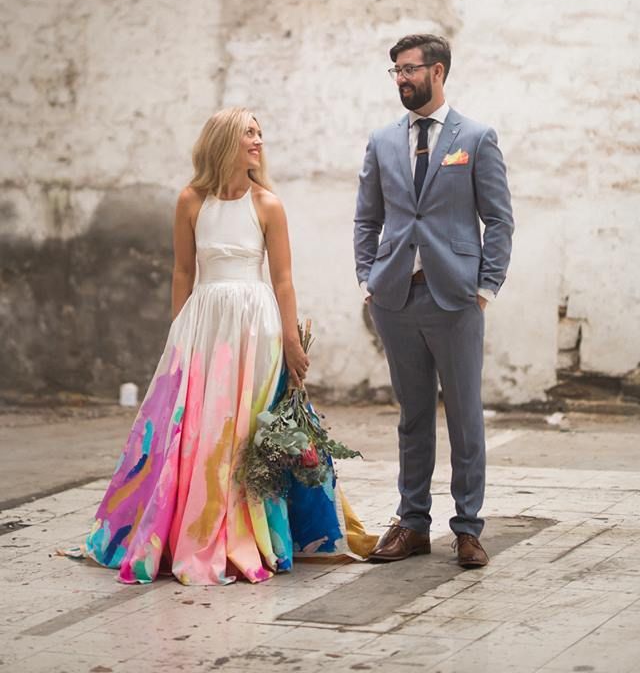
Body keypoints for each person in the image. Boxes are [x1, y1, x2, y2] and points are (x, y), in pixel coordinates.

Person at [83, 107, 374, 585]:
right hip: (204, 325)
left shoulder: (267, 204)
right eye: (248, 134)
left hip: (255, 326)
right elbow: (182, 271)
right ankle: (187, 527)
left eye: (259, 133)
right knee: (196, 427)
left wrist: (290, 340)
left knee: (243, 427)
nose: (258, 141)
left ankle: (255, 529)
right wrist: (179, 331)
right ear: (223, 142)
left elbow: (282, 280)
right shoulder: (191, 201)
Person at [354, 33, 514, 568]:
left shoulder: (477, 137)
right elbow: (367, 218)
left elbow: (499, 219)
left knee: (465, 416)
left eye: (409, 69)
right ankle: (413, 523)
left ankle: (468, 528)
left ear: (437, 71)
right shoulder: (382, 141)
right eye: (395, 70)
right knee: (412, 415)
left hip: (456, 299)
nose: (401, 78)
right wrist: (367, 281)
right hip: (396, 298)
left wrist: (486, 288)